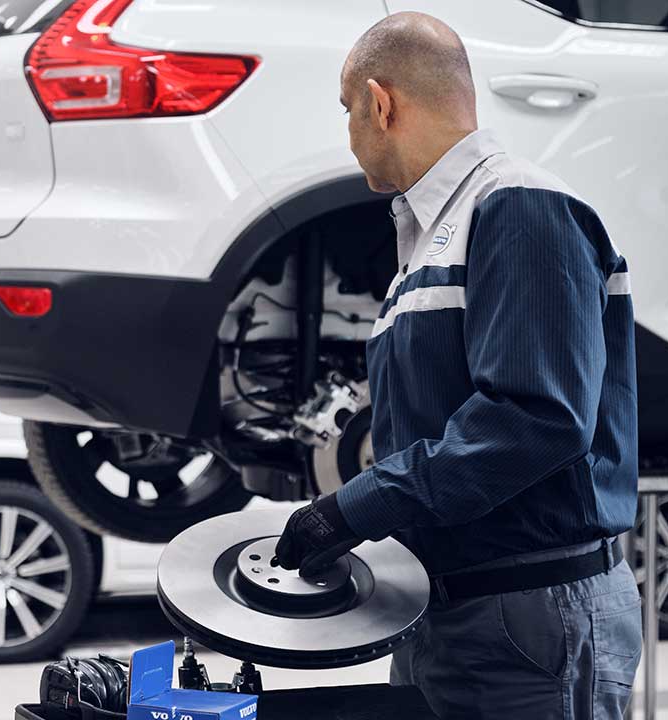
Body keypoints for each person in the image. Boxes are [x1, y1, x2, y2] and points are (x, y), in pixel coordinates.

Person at [273, 12, 641, 719]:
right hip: (451, 612)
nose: (350, 135)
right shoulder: (430, 240)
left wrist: (355, 509)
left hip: (529, 616)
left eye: (349, 111)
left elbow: (534, 419)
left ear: (381, 104)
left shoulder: (521, 208)